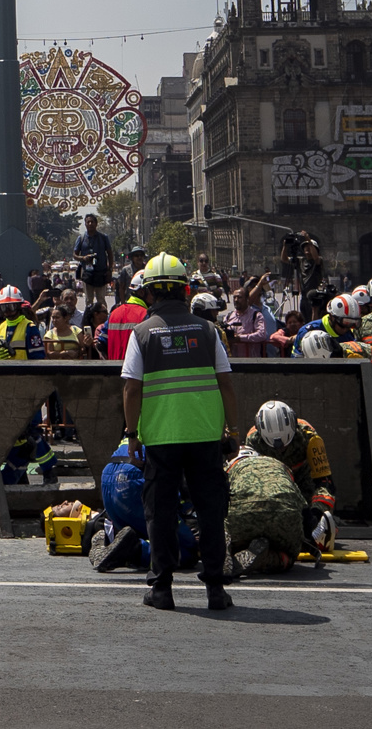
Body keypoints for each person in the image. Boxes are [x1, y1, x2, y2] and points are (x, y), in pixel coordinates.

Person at [121, 253, 235, 612]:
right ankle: (215, 588)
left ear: (150, 293)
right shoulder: (208, 331)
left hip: (161, 439)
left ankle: (162, 589)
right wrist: (233, 430)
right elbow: (226, 383)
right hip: (205, 436)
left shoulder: (142, 333)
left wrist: (132, 434)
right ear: (186, 290)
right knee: (210, 511)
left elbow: (131, 389)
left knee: (161, 512)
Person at [223, 447, 310, 579]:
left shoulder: (229, 469)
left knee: (226, 528)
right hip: (284, 516)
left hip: (244, 516)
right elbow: (303, 506)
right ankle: (267, 558)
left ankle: (226, 547)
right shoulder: (279, 466)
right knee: (289, 556)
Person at [73, 214, 113, 296]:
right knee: (88, 300)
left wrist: (110, 269)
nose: (90, 224)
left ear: (96, 223)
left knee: (101, 299)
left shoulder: (103, 237)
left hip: (101, 272)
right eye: (88, 222)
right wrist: (83, 258)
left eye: (92, 222)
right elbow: (75, 255)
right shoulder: (81, 238)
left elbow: (110, 254)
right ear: (85, 224)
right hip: (87, 273)